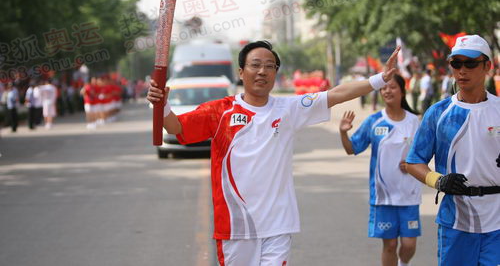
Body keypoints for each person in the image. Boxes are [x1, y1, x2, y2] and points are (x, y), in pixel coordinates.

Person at [147, 40, 400, 266]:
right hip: (236, 227)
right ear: (241, 72)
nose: (262, 72)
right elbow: (177, 127)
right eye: (255, 65)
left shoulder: (288, 108)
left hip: (278, 224)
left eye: (270, 66)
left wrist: (379, 79)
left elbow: (334, 95)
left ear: (276, 73)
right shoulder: (220, 111)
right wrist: (163, 104)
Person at [406, 35, 500, 266]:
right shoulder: (439, 113)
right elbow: (413, 161)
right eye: (456, 64)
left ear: (487, 66)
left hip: (497, 219)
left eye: (470, 63)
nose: (462, 71)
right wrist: (438, 181)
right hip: (457, 219)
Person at [339, 74, 421, 266]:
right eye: (383, 88)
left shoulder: (415, 122)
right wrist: (343, 132)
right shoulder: (374, 121)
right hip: (383, 196)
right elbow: (352, 148)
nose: (386, 91)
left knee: (409, 245)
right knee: (390, 245)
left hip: (409, 194)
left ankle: (403, 263)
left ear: (402, 91)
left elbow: (425, 151)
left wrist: (411, 164)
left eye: (392, 87)